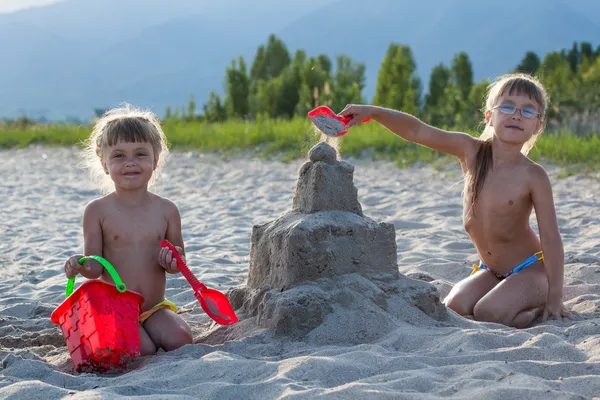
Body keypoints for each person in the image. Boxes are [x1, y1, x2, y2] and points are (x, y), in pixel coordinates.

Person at [340, 73, 572, 328]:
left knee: (488, 312)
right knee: (454, 306)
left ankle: (533, 310)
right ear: (489, 116)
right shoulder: (470, 151)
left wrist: (555, 297)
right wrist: (373, 112)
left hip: (531, 270)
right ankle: (511, 301)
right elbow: (417, 131)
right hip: (491, 270)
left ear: (538, 125)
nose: (516, 115)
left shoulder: (534, 175)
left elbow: (550, 238)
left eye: (528, 111)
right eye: (507, 106)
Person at [63, 104, 194, 355]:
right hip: (117, 308)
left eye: (140, 154)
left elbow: (179, 266)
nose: (130, 163)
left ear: (155, 160)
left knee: (181, 338)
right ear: (104, 163)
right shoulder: (97, 211)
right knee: (140, 350)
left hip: (155, 308)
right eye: (119, 155)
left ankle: (150, 330)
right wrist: (79, 264)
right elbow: (95, 268)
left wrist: (172, 259)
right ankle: (138, 338)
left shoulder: (167, 211)